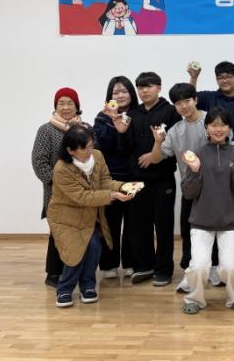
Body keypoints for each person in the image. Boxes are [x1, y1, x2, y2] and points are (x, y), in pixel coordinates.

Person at [47, 124, 136, 307]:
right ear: (70, 150)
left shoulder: (97, 156)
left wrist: (123, 186)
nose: (90, 150)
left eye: (90, 145)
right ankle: (64, 289)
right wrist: (113, 195)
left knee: (94, 247)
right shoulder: (61, 169)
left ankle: (88, 285)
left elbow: (105, 181)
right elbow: (82, 197)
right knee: (75, 252)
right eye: (85, 148)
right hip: (65, 218)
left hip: (89, 216)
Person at [149, 82, 219, 292]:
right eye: (178, 103)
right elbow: (156, 158)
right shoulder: (175, 130)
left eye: (187, 100)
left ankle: (215, 268)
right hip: (191, 189)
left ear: (195, 100)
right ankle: (191, 272)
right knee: (189, 232)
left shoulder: (212, 121)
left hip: (216, 188)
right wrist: (158, 142)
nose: (184, 106)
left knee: (217, 229)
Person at [113, 72, 181, 286]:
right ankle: (144, 266)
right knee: (138, 226)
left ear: (159, 87)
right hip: (137, 180)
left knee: (163, 226)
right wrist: (121, 132)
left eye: (149, 86)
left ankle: (164, 269)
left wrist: (154, 156)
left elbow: (176, 144)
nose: (144, 91)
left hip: (162, 178)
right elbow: (125, 149)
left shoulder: (171, 111)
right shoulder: (132, 114)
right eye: (140, 87)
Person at [180, 107, 234, 314]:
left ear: (229, 128)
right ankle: (194, 299)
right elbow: (188, 193)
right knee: (199, 266)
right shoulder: (197, 154)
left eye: (223, 125)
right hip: (201, 222)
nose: (218, 129)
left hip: (230, 222)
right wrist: (195, 170)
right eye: (213, 125)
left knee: (229, 267)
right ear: (206, 127)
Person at [32, 87, 83, 288]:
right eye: (61, 103)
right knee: (58, 234)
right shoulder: (46, 130)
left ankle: (76, 272)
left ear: (77, 106)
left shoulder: (84, 128)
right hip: (56, 193)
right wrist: (60, 183)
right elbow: (39, 162)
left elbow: (94, 155)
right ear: (55, 106)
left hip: (81, 191)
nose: (66, 107)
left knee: (79, 233)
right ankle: (53, 273)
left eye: (70, 103)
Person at [94, 76, 139, 279]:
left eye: (124, 91)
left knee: (133, 223)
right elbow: (102, 145)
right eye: (115, 92)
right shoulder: (102, 117)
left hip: (134, 176)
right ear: (109, 96)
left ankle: (131, 262)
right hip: (110, 178)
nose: (120, 95)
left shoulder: (138, 114)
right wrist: (114, 120)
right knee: (110, 223)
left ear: (131, 93)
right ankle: (108, 264)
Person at [188, 60, 234, 140]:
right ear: (216, 79)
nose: (225, 81)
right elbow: (189, 99)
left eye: (228, 77)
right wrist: (194, 78)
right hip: (213, 146)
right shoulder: (209, 97)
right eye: (220, 78)